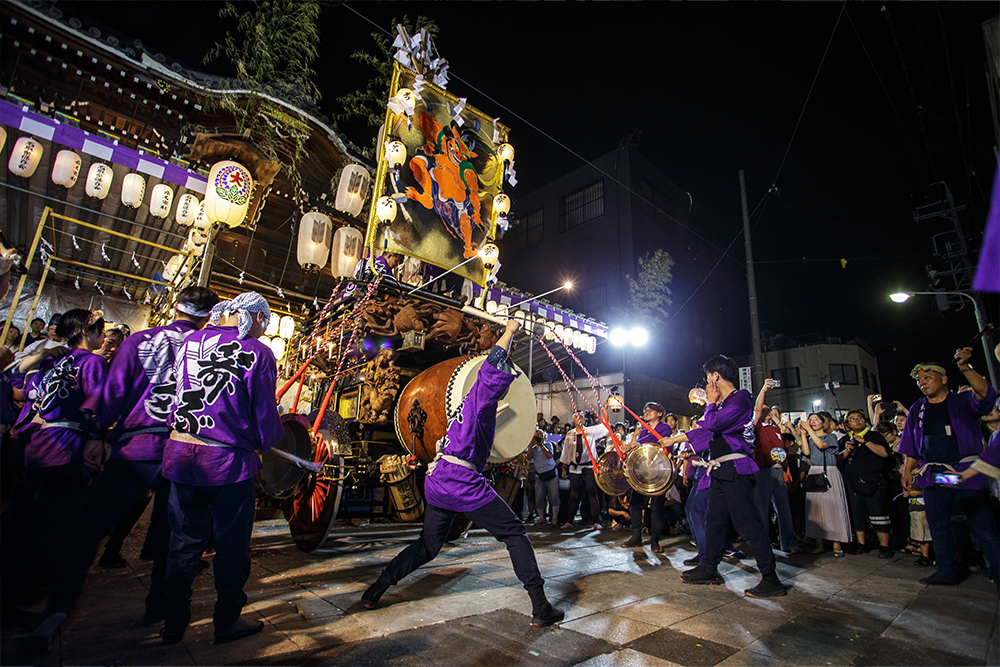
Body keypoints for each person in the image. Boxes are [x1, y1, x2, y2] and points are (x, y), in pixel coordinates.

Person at [15, 289, 220, 653]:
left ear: (175, 307)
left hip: (135, 448)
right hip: (184, 452)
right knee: (175, 538)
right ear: (210, 314)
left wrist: (97, 434)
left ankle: (58, 608)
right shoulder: (214, 349)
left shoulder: (142, 341)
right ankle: (161, 609)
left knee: (85, 530)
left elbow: (113, 394)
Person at [360, 319, 564, 627]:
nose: (505, 381)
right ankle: (540, 606)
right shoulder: (481, 400)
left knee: (428, 545)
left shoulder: (463, 408)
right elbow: (493, 364)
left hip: (439, 480)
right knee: (514, 532)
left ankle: (376, 589)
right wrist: (509, 331)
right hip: (462, 483)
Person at [159, 291, 284, 644]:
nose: (263, 329)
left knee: (183, 544)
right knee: (231, 547)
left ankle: (173, 624)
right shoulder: (258, 353)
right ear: (255, 318)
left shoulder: (189, 343)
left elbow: (176, 394)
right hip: (228, 465)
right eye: (265, 321)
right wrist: (269, 442)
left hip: (181, 454)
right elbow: (263, 415)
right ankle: (226, 621)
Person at [1, 309, 107, 624]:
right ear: (89, 332)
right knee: (47, 528)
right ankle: (14, 595)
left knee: (20, 522)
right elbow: (95, 405)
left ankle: (15, 589)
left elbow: (14, 377)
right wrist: (97, 439)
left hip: (32, 444)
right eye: (100, 331)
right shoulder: (92, 362)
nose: (102, 338)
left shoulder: (52, 360)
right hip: (63, 448)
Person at [660, 355, 785, 598]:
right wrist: (674, 440)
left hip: (735, 469)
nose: (707, 383)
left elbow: (713, 424)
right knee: (714, 521)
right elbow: (707, 430)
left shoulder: (741, 400)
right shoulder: (722, 404)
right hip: (719, 470)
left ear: (715, 376)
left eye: (708, 377)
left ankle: (771, 578)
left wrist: (711, 402)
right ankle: (709, 568)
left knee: (747, 523)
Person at [898, 352, 999, 587]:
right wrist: (906, 472)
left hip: (964, 472)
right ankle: (946, 570)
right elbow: (911, 446)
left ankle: (997, 567)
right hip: (935, 474)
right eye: (919, 380)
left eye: (927, 377)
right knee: (938, 523)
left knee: (983, 524)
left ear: (944, 379)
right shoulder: (917, 409)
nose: (922, 382)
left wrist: (964, 366)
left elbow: (985, 395)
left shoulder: (962, 401)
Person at [752, 380, 799, 555]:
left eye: (767, 409)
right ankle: (762, 544)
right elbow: (757, 409)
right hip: (762, 471)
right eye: (763, 409)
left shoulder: (775, 429)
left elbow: (781, 452)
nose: (765, 411)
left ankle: (789, 542)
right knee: (761, 510)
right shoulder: (756, 427)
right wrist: (763, 390)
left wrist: (786, 470)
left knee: (784, 509)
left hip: (778, 470)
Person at [797, 412, 851, 556]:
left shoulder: (831, 436)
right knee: (816, 510)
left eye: (816, 420)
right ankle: (819, 544)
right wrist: (803, 434)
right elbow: (807, 452)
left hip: (829, 472)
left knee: (833, 507)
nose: (813, 422)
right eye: (810, 420)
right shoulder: (809, 437)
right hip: (814, 472)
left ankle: (837, 544)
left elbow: (821, 445)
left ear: (823, 422)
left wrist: (808, 430)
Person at [840, 410, 893, 558]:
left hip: (874, 481)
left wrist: (865, 441)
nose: (857, 421)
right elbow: (838, 460)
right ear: (847, 424)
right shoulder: (846, 439)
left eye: (859, 418)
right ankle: (861, 544)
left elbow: (884, 453)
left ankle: (884, 546)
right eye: (852, 419)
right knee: (857, 514)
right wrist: (846, 450)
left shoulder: (874, 436)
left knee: (879, 513)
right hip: (853, 482)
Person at [620, 402, 672, 552]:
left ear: (659, 413)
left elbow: (656, 440)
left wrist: (634, 443)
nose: (647, 412)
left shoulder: (664, 428)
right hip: (642, 473)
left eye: (651, 410)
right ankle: (636, 536)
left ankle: (655, 540)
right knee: (635, 504)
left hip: (659, 473)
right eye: (645, 410)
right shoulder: (642, 432)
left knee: (656, 507)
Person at [559, 412, 609, 530]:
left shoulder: (590, 431)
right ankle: (569, 520)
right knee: (573, 494)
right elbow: (566, 452)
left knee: (592, 493)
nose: (578, 419)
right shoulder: (570, 434)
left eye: (580, 417)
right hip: (575, 467)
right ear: (573, 420)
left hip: (588, 467)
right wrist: (563, 468)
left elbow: (605, 428)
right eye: (576, 417)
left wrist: (605, 410)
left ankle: (595, 521)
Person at [530, 429, 559, 524]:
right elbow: (528, 457)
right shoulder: (533, 450)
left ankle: (554, 518)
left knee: (554, 497)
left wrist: (542, 445)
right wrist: (531, 443)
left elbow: (550, 455)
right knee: (539, 498)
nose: (538, 438)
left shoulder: (548, 445)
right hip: (539, 476)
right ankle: (541, 517)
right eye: (536, 437)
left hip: (551, 474)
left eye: (540, 436)